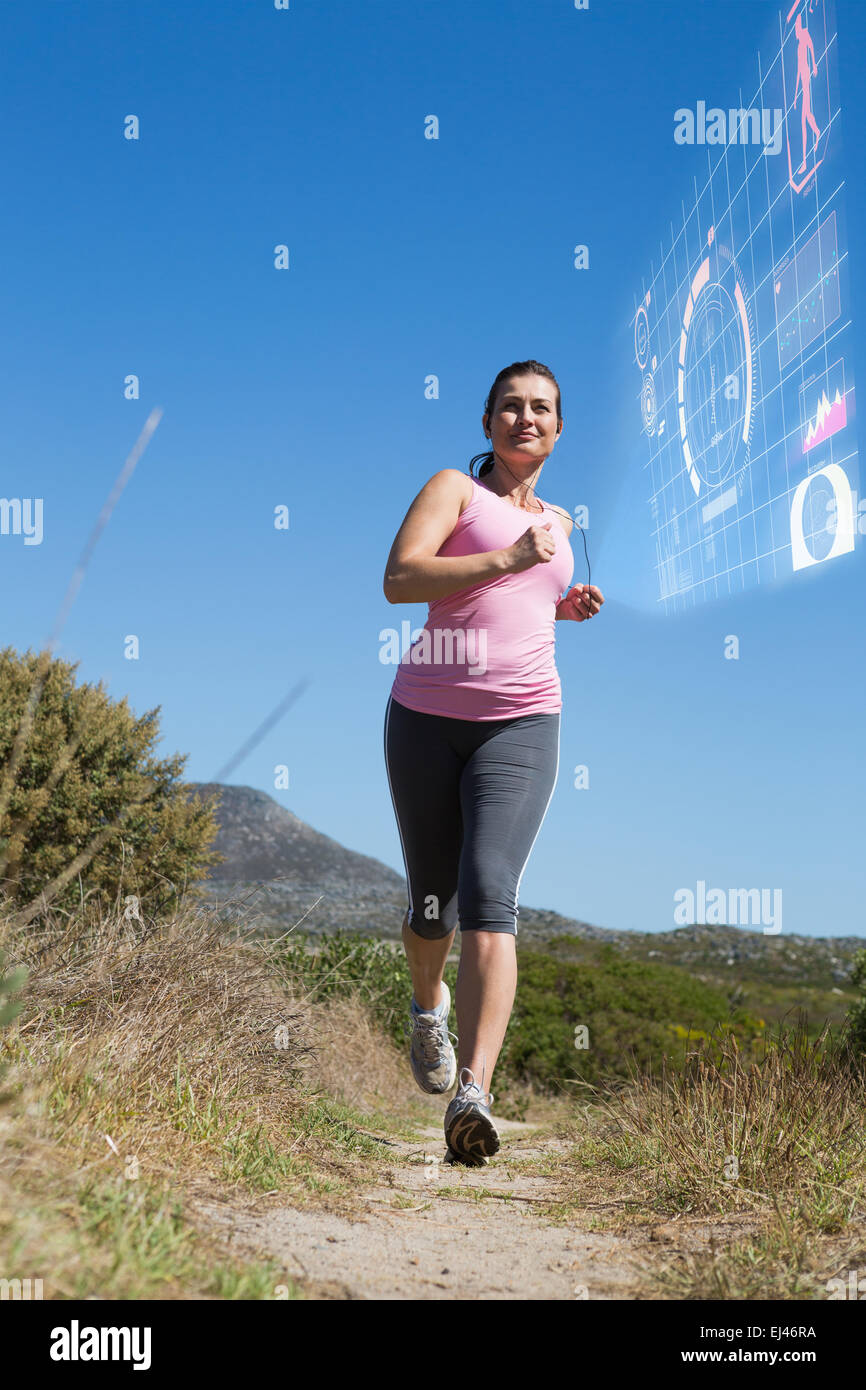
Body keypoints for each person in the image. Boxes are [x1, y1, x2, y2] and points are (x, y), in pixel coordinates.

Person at [382, 360, 604, 1163]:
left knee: (490, 895)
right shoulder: (455, 490)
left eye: (541, 408)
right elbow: (400, 579)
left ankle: (473, 1093)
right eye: (510, 407)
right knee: (433, 902)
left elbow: (524, 601)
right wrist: (508, 561)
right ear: (486, 423)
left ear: (559, 427)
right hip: (425, 719)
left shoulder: (561, 522)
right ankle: (426, 1008)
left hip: (522, 721)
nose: (526, 419)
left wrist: (560, 600)